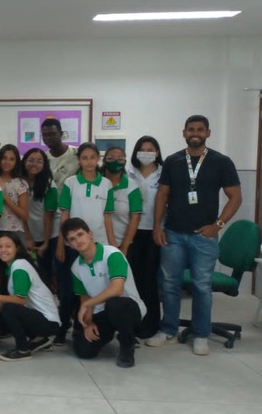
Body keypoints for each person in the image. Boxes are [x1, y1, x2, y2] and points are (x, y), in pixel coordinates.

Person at [147, 115, 242, 356]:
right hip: (173, 234)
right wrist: (157, 226)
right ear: (184, 132)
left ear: (208, 133)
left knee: (201, 286)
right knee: (169, 284)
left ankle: (201, 335)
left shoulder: (222, 162)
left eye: (200, 129)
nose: (195, 133)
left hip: (204, 236)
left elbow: (235, 197)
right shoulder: (173, 161)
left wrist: (218, 225)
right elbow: (162, 195)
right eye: (191, 129)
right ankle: (168, 330)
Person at [62, 217, 146, 368]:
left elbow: (117, 289)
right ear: (70, 245)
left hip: (128, 308)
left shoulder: (112, 254)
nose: (78, 241)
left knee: (115, 304)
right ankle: (109, 334)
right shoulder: (76, 268)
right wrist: (88, 323)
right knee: (84, 350)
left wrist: (88, 303)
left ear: (90, 234)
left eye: (80, 234)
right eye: (72, 239)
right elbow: (85, 299)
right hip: (102, 312)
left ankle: (127, 347)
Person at [56, 142, 115, 344]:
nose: (89, 162)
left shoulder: (106, 184)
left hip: (98, 245)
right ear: (78, 160)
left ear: (98, 159)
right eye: (84, 158)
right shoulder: (71, 183)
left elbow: (107, 217)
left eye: (92, 157)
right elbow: (64, 214)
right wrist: (61, 244)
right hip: (73, 246)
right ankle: (63, 327)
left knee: (95, 289)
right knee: (68, 291)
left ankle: (87, 327)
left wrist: (113, 246)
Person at [0, 232, 60, 361]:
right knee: (3, 309)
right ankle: (41, 339)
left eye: (8, 246)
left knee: (9, 308)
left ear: (17, 248)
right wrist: (0, 306)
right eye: (0, 246)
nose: (3, 250)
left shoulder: (19, 266)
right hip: (42, 319)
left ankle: (22, 350)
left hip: (48, 322)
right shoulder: (11, 267)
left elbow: (19, 300)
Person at [126, 135, 164, 339]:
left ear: (157, 152)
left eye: (151, 149)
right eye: (143, 149)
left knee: (149, 279)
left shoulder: (163, 174)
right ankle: (132, 323)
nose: (146, 153)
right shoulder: (128, 173)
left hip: (154, 231)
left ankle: (150, 325)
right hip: (131, 231)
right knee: (132, 280)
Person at [21, 148, 59, 287]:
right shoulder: (18, 183)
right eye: (31, 160)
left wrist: (45, 243)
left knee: (50, 271)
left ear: (44, 165)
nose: (34, 164)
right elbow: (20, 213)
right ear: (24, 161)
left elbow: (49, 216)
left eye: (39, 161)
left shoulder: (49, 185)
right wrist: (28, 237)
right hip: (29, 232)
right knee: (34, 271)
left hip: (51, 234)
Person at [103, 146, 142, 257]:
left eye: (120, 159)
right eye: (111, 158)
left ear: (125, 162)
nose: (115, 162)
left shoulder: (132, 186)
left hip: (122, 243)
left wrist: (124, 247)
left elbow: (135, 218)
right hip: (97, 242)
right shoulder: (97, 182)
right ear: (104, 160)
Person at [0, 144, 29, 245]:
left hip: (15, 232)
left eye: (12, 159)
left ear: (16, 162)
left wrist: (5, 198)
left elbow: (24, 215)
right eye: (4, 158)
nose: (7, 162)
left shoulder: (20, 183)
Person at [41, 118, 78, 190]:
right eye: (44, 135)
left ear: (61, 134)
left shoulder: (76, 153)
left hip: (73, 196)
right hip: (51, 196)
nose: (48, 138)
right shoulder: (43, 158)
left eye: (52, 134)